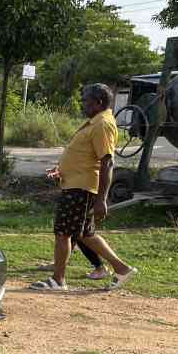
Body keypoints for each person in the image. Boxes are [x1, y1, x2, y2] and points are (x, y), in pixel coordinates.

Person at [31, 83, 137, 292]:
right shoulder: (95, 122)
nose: (83, 105)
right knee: (85, 234)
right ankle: (122, 269)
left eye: (86, 101)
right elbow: (86, 157)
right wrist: (62, 169)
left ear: (98, 102)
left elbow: (107, 162)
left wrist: (102, 200)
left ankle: (58, 280)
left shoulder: (102, 125)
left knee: (63, 232)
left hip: (81, 189)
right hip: (75, 184)